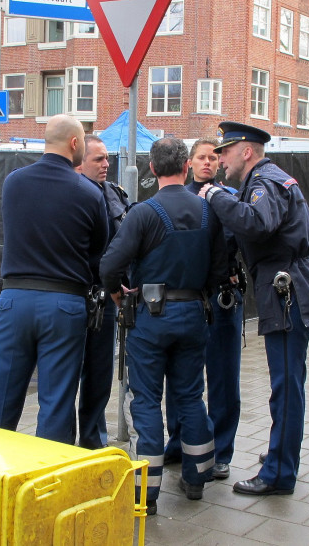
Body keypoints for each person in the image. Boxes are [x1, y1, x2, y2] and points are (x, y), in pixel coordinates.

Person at [198, 122, 309, 497]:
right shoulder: (265, 180)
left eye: (225, 152)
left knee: (286, 387)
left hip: (286, 291)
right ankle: (281, 455)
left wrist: (215, 197)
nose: (220, 160)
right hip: (287, 286)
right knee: (287, 384)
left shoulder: (264, 183)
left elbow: (258, 224)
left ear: (246, 151)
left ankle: (278, 474)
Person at [100, 137, 227, 515]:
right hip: (194, 316)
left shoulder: (143, 213)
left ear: (152, 170)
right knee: (190, 397)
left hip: (150, 320)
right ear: (186, 167)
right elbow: (219, 270)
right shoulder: (210, 212)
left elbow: (110, 266)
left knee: (146, 401)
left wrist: (119, 295)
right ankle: (197, 477)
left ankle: (146, 493)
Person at [0, 114, 110, 444]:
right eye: (83, 140)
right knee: (55, 405)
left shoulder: (13, 182)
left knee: (0, 402)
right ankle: (49, 488)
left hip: (13, 302)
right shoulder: (89, 193)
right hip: (64, 306)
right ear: (74, 143)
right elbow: (98, 253)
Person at [163, 138, 244, 481]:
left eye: (214, 157)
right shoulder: (178, 198)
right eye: (201, 157)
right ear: (189, 163)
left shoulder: (229, 198)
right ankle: (180, 442)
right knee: (180, 375)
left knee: (224, 376)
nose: (208, 162)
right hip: (189, 296)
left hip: (223, 295)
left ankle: (221, 450)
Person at [75, 134, 130, 449]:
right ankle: (62, 440)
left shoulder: (115, 195)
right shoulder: (71, 195)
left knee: (99, 375)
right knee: (67, 374)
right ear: (80, 162)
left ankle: (94, 441)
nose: (106, 164)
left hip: (106, 298)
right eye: (98, 159)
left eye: (107, 158)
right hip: (75, 296)